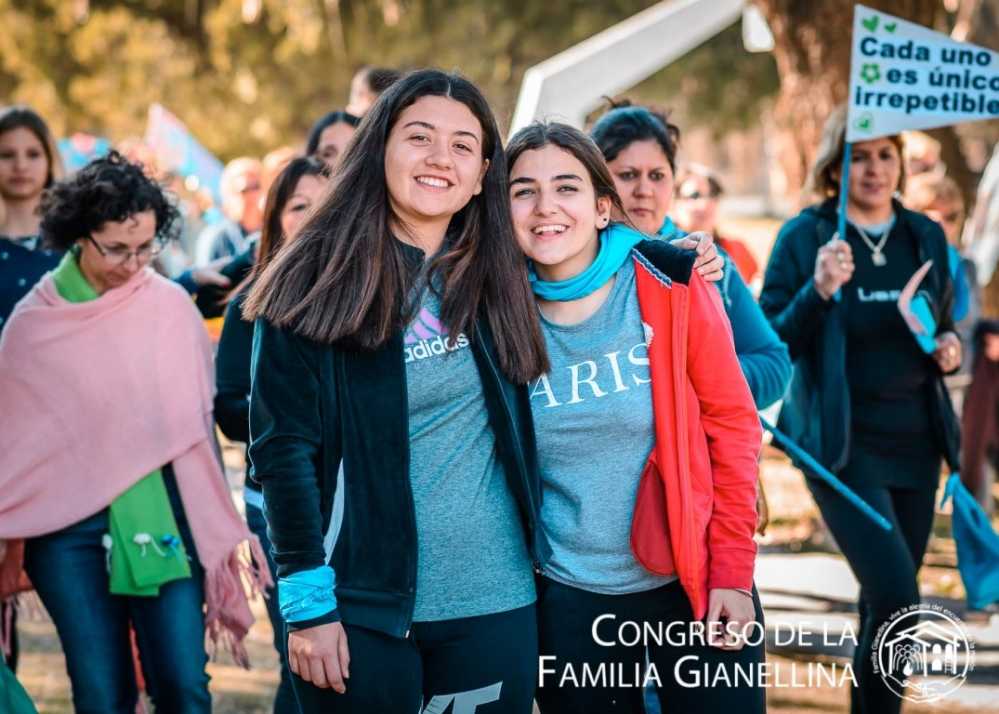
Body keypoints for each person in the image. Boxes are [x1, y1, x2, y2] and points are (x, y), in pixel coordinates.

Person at [245, 69, 550, 713]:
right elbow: (281, 451)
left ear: (482, 173)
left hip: (495, 600)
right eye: (419, 137)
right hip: (360, 606)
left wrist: (676, 256)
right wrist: (307, 605)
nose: (440, 157)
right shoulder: (311, 278)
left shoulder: (501, 271)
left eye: (462, 145)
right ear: (379, 145)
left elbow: (593, 246)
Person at [507, 121, 765, 713]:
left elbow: (733, 424)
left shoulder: (670, 281)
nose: (546, 207)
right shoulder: (495, 313)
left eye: (566, 187)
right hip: (570, 597)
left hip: (693, 581)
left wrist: (731, 571)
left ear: (603, 207)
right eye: (524, 191)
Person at [0, 151, 270, 713]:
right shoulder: (32, 325)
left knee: (183, 686)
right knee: (102, 695)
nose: (133, 264)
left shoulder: (168, 307)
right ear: (79, 236)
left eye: (146, 248)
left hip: (163, 515)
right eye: (117, 249)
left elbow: (193, 428)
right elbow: (15, 443)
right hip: (65, 531)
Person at [759, 105, 961, 714]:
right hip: (840, 447)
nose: (874, 169)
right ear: (835, 164)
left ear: (901, 162)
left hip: (917, 442)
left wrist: (948, 346)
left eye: (885, 155)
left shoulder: (923, 235)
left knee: (883, 603)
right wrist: (818, 290)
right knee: (899, 597)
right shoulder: (807, 236)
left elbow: (940, 320)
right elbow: (771, 341)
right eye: (860, 155)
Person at [215, 155, 329, 714]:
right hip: (276, 505)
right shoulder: (251, 300)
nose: (313, 218)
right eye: (299, 206)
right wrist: (290, 418)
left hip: (356, 506)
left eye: (325, 204)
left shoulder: (371, 293)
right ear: (276, 219)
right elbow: (228, 407)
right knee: (301, 656)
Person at [0, 106, 63, 333]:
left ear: (50, 160)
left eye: (33, 154)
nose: (21, 166)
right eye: (7, 155)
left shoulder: (78, 243)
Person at [674, 164, 761, 286]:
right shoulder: (663, 257)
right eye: (695, 196)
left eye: (713, 194)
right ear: (673, 203)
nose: (706, 204)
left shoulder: (738, 250)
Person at [194, 156, 263, 265]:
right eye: (244, 190)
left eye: (256, 187)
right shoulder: (215, 238)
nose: (252, 195)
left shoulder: (277, 229)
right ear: (229, 195)